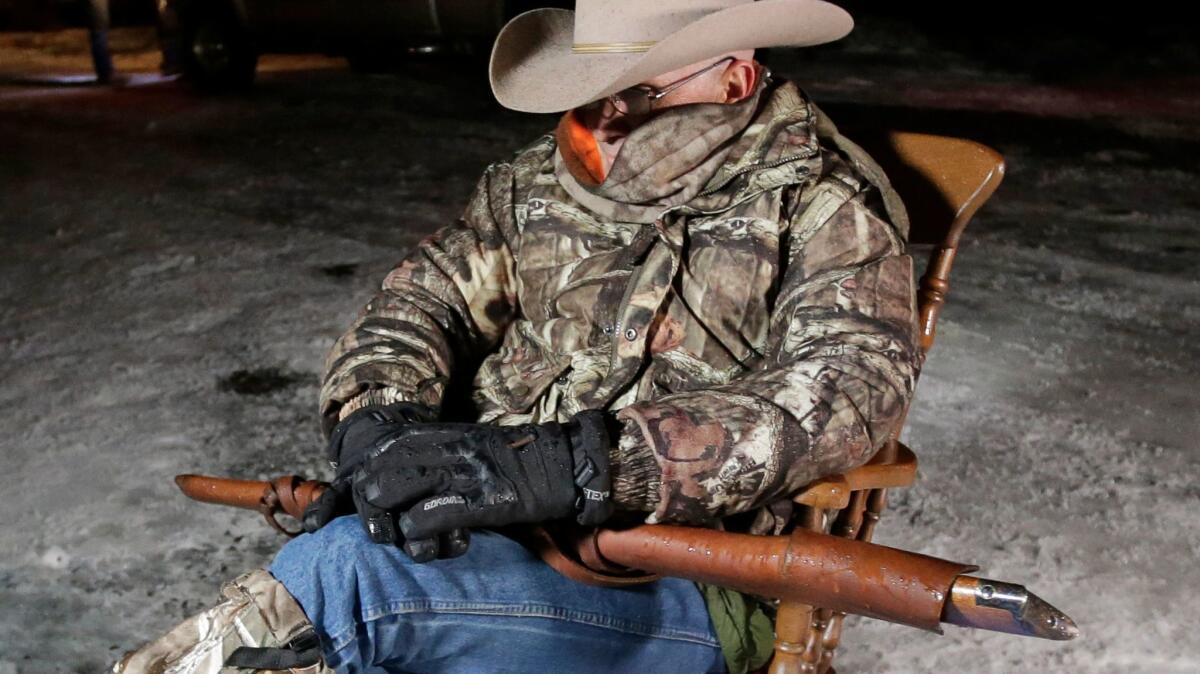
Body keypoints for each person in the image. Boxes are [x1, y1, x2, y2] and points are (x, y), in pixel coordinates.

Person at [113, 1, 919, 673]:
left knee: (348, 587)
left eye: (630, 94)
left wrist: (582, 464)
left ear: (733, 80)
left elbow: (850, 394)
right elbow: (421, 303)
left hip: (684, 576)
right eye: (589, 91)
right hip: (490, 535)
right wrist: (376, 422)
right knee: (345, 577)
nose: (598, 123)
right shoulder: (533, 185)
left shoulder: (822, 209)